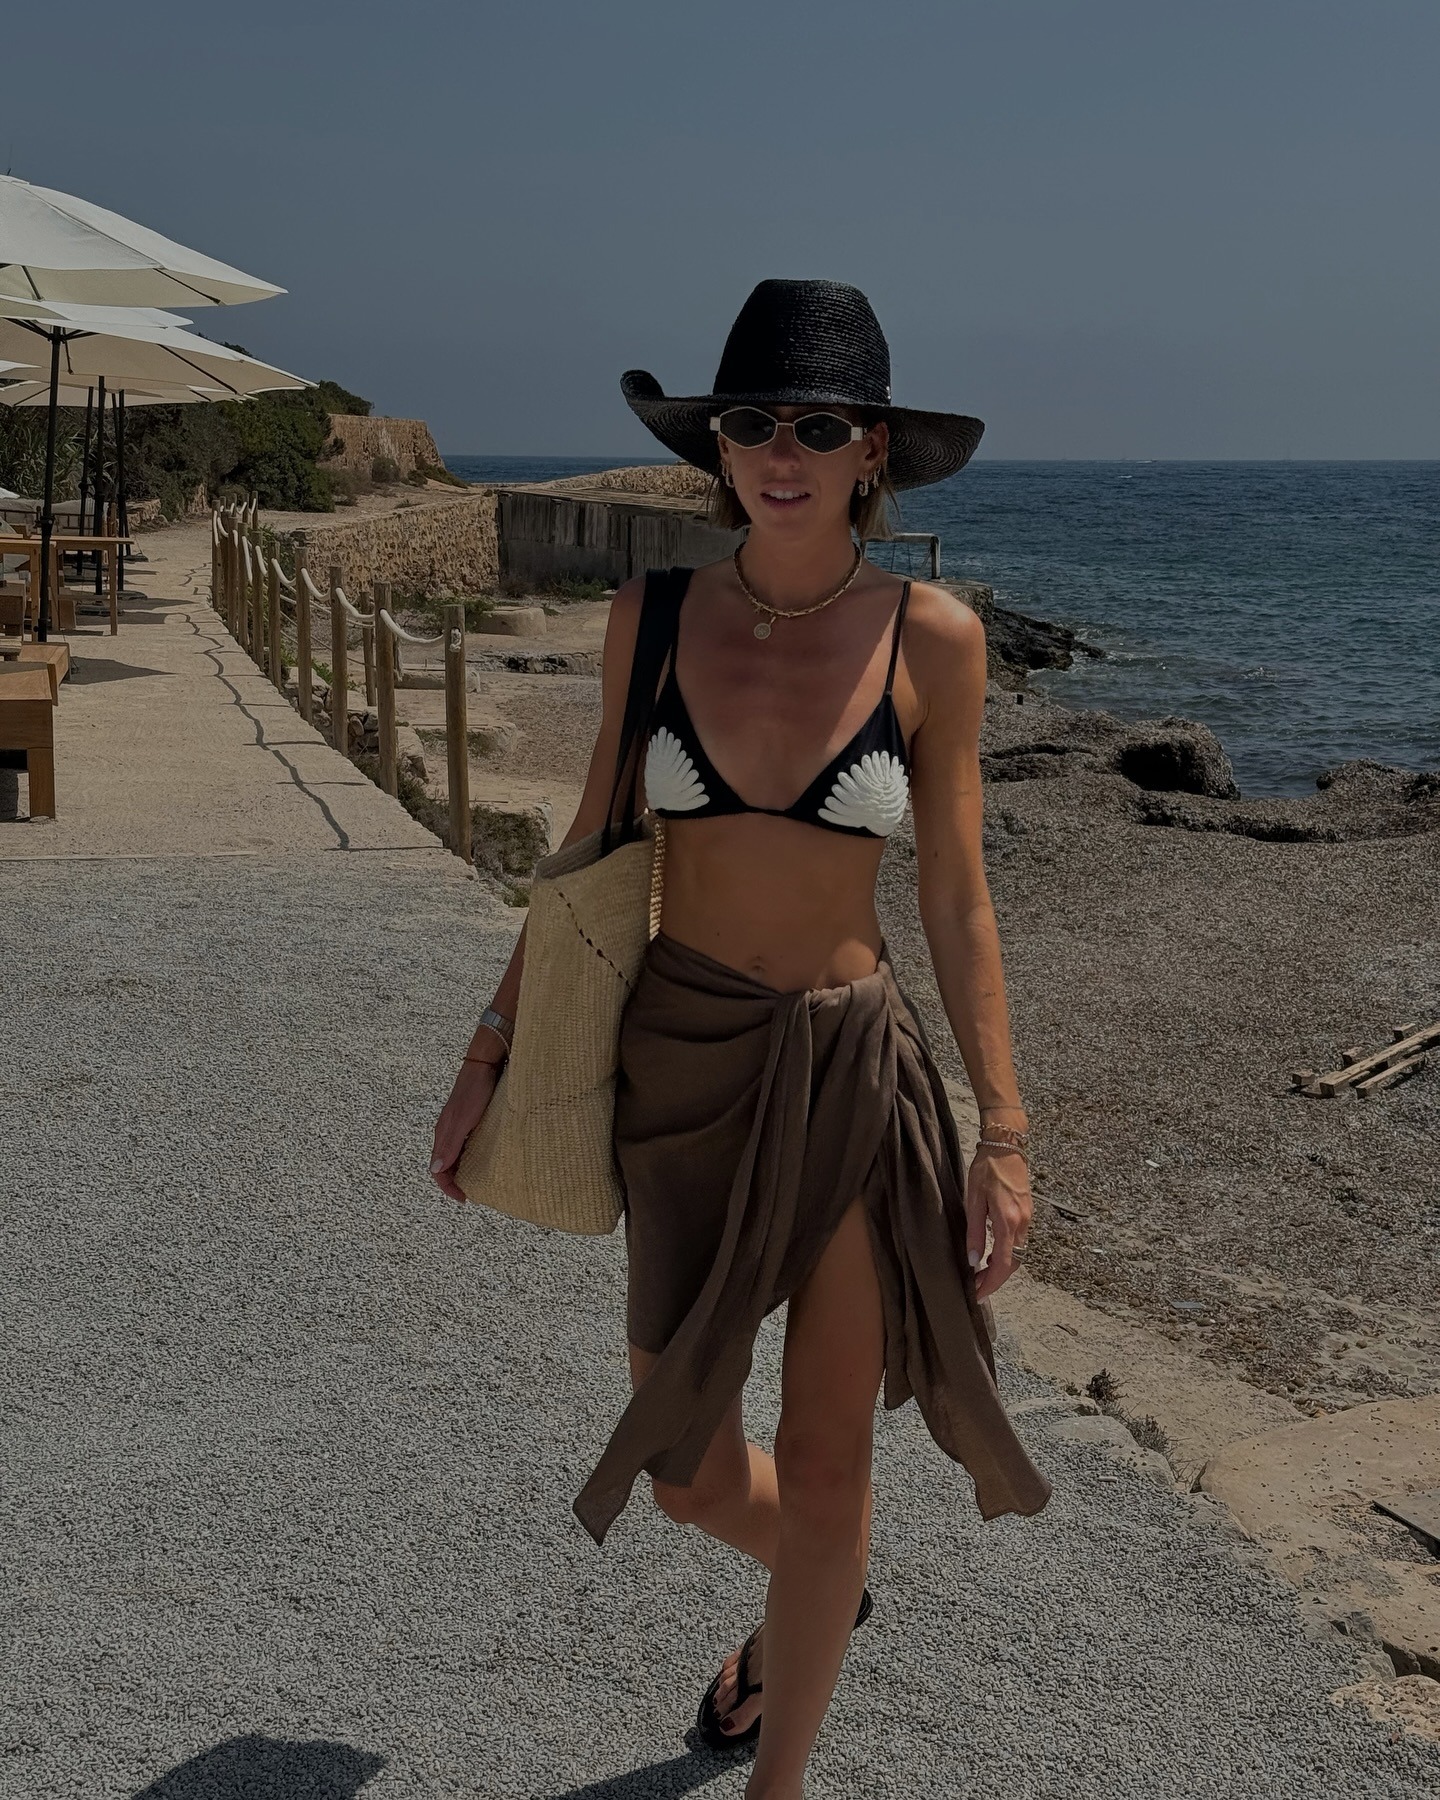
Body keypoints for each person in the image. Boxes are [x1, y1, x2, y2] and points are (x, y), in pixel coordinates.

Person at [431, 278, 1051, 1799]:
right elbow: (586, 854)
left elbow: (961, 902)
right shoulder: (649, 619)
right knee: (690, 1465)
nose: (780, 450)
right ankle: (821, 1586)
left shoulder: (937, 637)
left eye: (817, 424)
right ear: (718, 448)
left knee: (831, 1455)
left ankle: (782, 1771)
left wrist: (1008, 1134)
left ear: (871, 454)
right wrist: (489, 1048)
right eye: (750, 422)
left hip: (850, 1068)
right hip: (680, 1067)